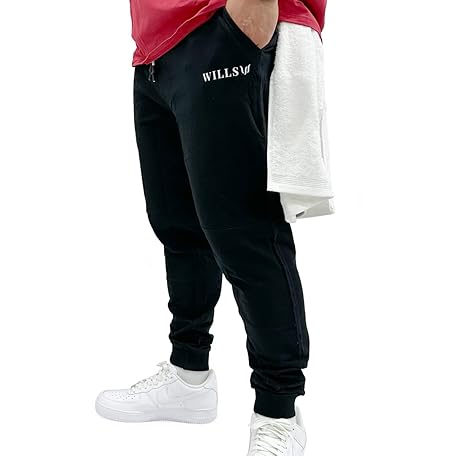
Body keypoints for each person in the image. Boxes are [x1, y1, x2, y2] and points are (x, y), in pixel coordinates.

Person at [96, 1, 327, 454]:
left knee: (246, 233)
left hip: (220, 31)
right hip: (154, 50)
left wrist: (243, 24)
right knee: (178, 227)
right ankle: (189, 375)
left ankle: (278, 411)